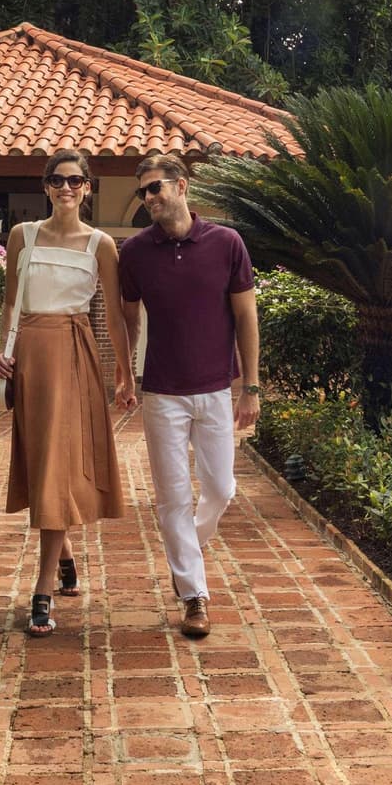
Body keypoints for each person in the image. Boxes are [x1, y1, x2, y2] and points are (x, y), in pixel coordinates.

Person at [0, 149, 137, 637]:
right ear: (46, 187)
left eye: (76, 181)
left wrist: (125, 374)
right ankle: (67, 555)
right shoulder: (22, 236)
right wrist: (1, 353)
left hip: (75, 356)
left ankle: (42, 588)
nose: (67, 188)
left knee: (57, 461)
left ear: (88, 187)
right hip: (30, 357)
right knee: (41, 461)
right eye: (58, 180)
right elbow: (11, 303)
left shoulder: (101, 245)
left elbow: (113, 314)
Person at [117, 151, 261, 639]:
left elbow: (246, 317)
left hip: (216, 388)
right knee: (173, 498)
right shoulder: (134, 252)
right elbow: (128, 316)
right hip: (161, 392)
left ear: (182, 187)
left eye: (156, 187)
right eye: (143, 192)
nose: (149, 198)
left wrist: (252, 387)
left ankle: (186, 554)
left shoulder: (226, 243)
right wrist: (123, 369)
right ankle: (193, 594)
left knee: (221, 489)